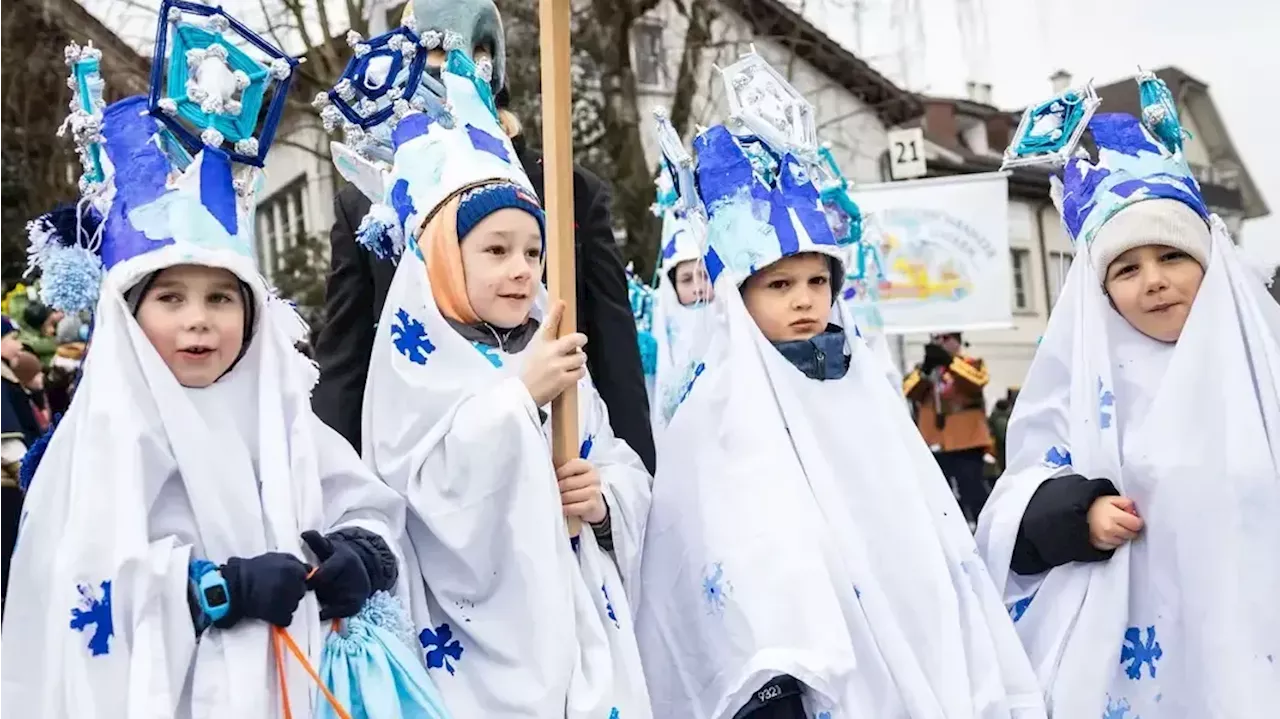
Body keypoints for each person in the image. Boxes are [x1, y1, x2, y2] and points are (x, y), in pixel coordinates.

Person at [0, 16, 407, 716]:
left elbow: (361, 500)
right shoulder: (104, 439)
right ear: (129, 313)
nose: (199, 318)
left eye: (222, 296)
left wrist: (361, 553)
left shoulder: (276, 414)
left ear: (253, 311)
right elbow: (81, 586)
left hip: (292, 687)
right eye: (170, 297)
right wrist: (213, 587)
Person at [635, 52, 1044, 719]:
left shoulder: (867, 395)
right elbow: (703, 564)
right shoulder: (711, 418)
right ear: (738, 296)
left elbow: (919, 527)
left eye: (817, 281)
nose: (803, 299)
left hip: (907, 661)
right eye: (779, 283)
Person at [322, 29, 653, 717]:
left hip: (578, 632)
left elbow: (615, 455)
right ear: (444, 256)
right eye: (496, 249)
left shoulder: (548, 344)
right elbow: (423, 495)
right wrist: (515, 399)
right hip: (466, 654)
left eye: (533, 250)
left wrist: (603, 500)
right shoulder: (414, 361)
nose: (520, 268)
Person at [976, 73, 1280, 716]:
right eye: (1126, 267)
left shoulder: (1262, 369)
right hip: (1135, 650)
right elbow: (1017, 499)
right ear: (1101, 290)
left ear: (1209, 263)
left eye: (1172, 256)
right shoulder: (1081, 383)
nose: (1155, 282)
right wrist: (1078, 513)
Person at [312, 0, 656, 474]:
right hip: (427, 464)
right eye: (431, 65)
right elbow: (347, 360)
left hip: (557, 453)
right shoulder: (368, 202)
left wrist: (628, 488)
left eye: (466, 63)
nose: (447, 82)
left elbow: (614, 351)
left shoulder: (564, 188)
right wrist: (336, 498)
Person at [903, 331, 993, 523]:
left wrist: (951, 363)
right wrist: (926, 370)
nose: (941, 343)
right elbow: (908, 391)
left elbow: (978, 380)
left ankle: (984, 526)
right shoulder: (923, 370)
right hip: (934, 440)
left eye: (946, 339)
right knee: (937, 493)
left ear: (957, 342)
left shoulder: (971, 363)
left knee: (972, 488)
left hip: (966, 440)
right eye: (937, 339)